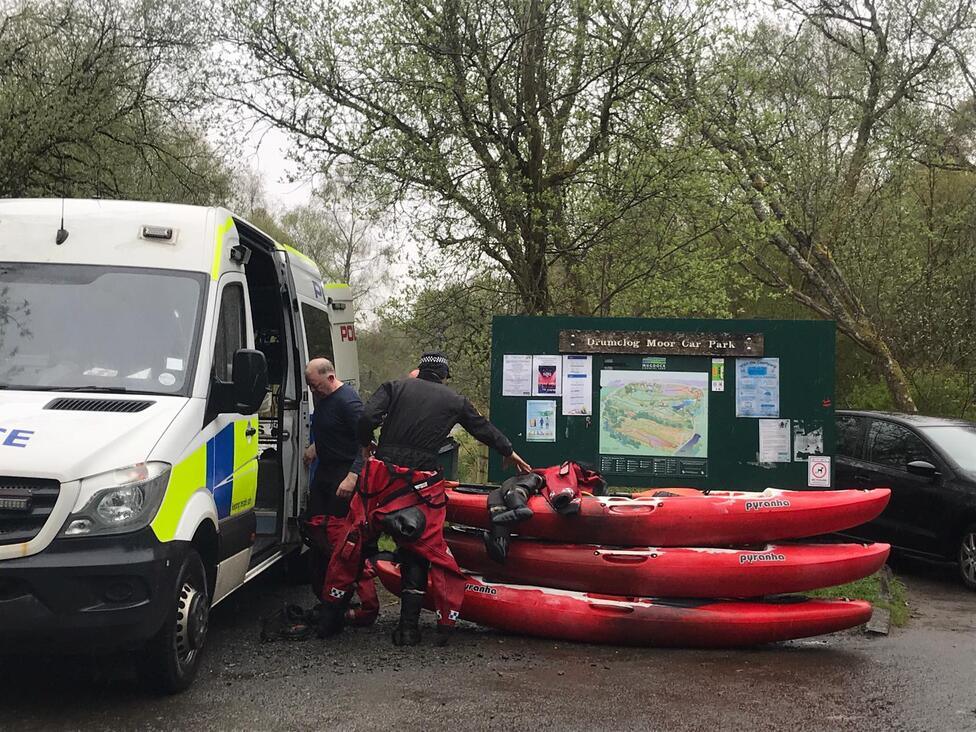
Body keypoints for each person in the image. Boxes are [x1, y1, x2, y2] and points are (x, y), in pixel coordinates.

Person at [318, 351, 532, 646]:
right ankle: (408, 630)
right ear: (444, 376)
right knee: (419, 546)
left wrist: (367, 445)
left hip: (382, 475)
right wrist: (509, 451)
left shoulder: (396, 386)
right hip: (422, 483)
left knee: (353, 539)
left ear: (420, 369)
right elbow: (484, 430)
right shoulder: (455, 400)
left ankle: (329, 620)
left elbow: (367, 417)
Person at [302, 358, 378, 626]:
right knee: (315, 529)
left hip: (344, 475)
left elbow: (366, 445)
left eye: (315, 386)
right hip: (325, 471)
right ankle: (325, 592)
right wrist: (315, 447)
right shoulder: (323, 399)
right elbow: (329, 431)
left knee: (340, 538)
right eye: (310, 387)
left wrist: (353, 476)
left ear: (331, 377)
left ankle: (344, 595)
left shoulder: (349, 402)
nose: (313, 391)